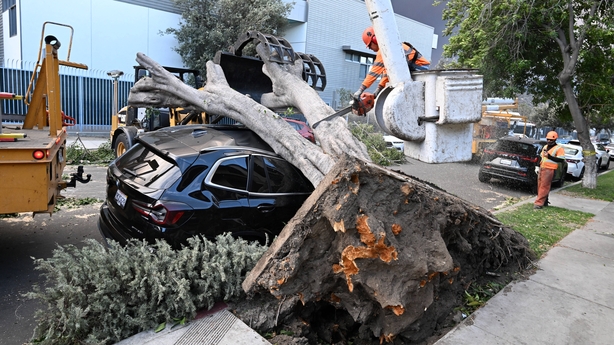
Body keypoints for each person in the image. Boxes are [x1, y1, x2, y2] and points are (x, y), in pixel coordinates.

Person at [354, 26, 430, 99]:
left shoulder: (383, 50)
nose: (370, 48)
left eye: (370, 45)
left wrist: (360, 90)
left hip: (420, 69)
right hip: (418, 68)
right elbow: (387, 71)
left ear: (375, 40)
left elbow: (373, 73)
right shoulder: (389, 47)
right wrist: (379, 88)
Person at [534, 131, 566, 209]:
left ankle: (538, 204)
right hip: (542, 168)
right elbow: (541, 157)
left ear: (555, 140)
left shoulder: (559, 148)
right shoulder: (545, 147)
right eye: (548, 139)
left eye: (551, 140)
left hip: (550, 169)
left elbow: (561, 160)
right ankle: (544, 201)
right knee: (540, 186)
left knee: (544, 187)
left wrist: (550, 157)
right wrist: (537, 166)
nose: (549, 141)